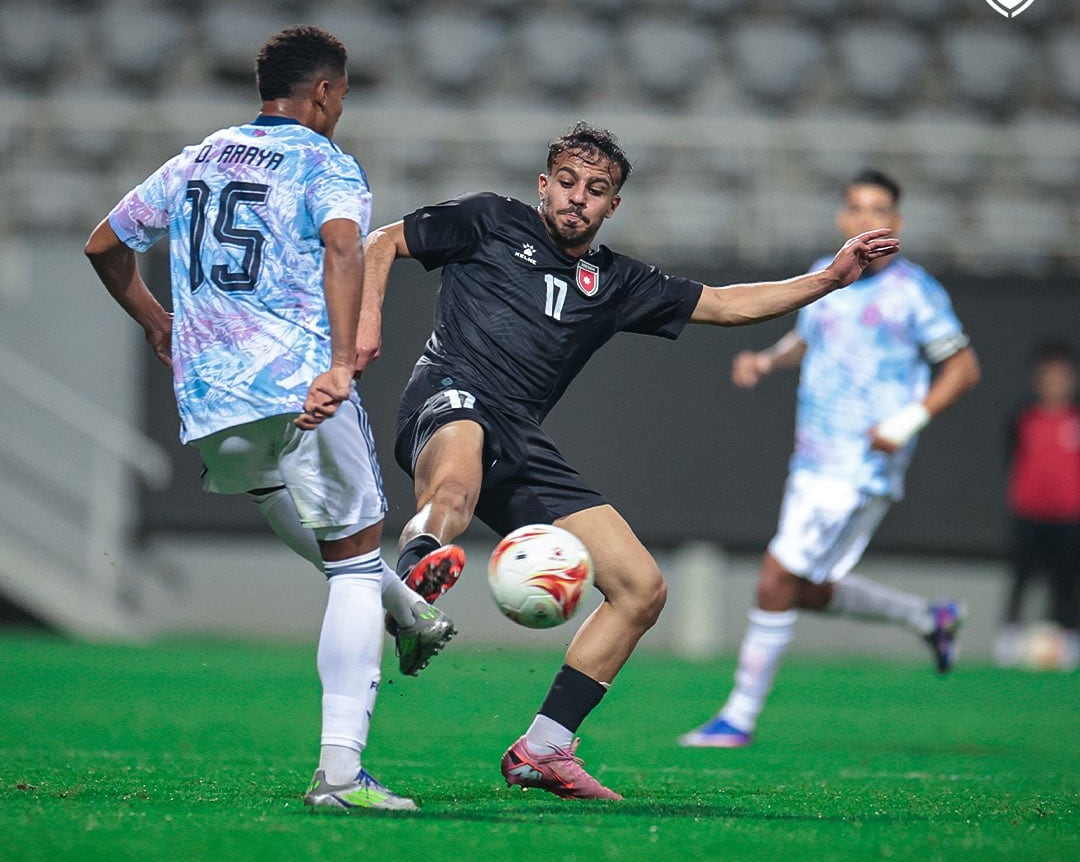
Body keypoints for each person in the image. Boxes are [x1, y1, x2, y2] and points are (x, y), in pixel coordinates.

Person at [359, 123, 901, 800]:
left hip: (520, 440)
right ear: (543, 184)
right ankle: (415, 583)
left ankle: (544, 748)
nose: (577, 199)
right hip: (446, 398)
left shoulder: (613, 281)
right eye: (566, 183)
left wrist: (831, 277)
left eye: (597, 190)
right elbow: (383, 242)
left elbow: (727, 304)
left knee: (641, 588)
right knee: (457, 482)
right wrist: (368, 324)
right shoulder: (488, 220)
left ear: (613, 204)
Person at [83, 25, 454, 813]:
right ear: (323, 93)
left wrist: (157, 323)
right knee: (353, 557)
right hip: (297, 386)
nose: (341, 109)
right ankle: (342, 774)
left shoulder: (198, 157)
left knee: (277, 499)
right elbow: (345, 249)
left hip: (210, 396)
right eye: (342, 96)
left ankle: (405, 608)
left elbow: (105, 245)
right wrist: (342, 365)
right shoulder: (325, 162)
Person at [680, 169, 981, 749]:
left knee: (776, 576)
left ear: (896, 223)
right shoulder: (832, 272)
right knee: (804, 585)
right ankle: (930, 619)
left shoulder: (915, 292)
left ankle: (738, 717)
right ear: (843, 219)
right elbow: (808, 336)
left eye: (880, 210)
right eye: (857, 209)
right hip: (814, 457)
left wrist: (906, 421)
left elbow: (963, 369)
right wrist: (768, 360)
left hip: (860, 462)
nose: (868, 219)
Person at [993, 341, 1080, 670]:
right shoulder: (1023, 418)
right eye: (1049, 375)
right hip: (1029, 513)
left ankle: (1069, 639)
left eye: (1061, 376)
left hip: (1070, 517)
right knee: (1021, 577)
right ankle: (1009, 637)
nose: (1055, 382)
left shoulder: (1076, 417)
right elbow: (1012, 459)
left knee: (1066, 581)